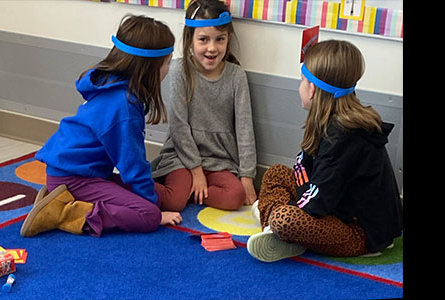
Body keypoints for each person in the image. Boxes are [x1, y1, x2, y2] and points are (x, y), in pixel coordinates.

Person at [21, 14, 182, 238]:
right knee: (148, 215)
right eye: (167, 62)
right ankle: (65, 212)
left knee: (151, 195)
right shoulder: (123, 106)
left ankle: (62, 198)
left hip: (82, 173)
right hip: (74, 178)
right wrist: (153, 208)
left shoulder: (113, 84)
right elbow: (132, 165)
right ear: (150, 67)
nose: (168, 68)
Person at [246, 40, 403, 262]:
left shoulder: (342, 135)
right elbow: (306, 169)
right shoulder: (330, 119)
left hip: (362, 233)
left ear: (312, 89)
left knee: (284, 218)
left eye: (302, 80)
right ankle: (276, 232)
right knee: (275, 173)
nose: (299, 86)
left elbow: (318, 202)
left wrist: (282, 209)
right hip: (337, 206)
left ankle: (274, 226)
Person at [150, 0, 257, 212]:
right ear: (190, 40)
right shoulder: (179, 70)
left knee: (235, 197)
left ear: (228, 39)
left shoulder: (236, 76)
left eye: (220, 39)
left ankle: (193, 191)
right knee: (174, 201)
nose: (212, 48)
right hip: (181, 156)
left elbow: (245, 129)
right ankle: (130, 184)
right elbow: (179, 127)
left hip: (220, 159)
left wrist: (247, 177)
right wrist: (196, 171)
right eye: (203, 39)